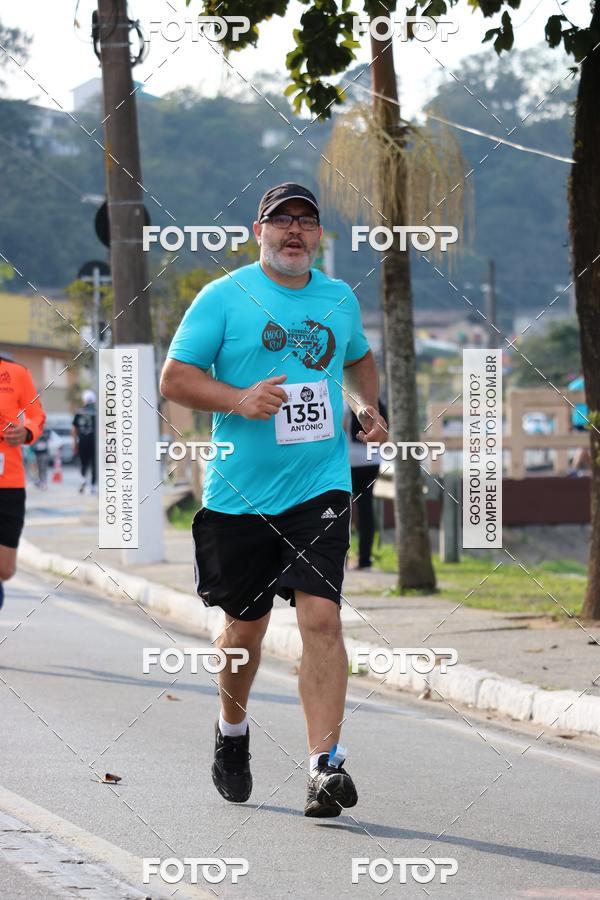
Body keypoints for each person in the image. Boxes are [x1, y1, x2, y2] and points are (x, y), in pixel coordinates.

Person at [161, 182, 387, 817]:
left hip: (319, 486)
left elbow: (360, 361)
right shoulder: (222, 297)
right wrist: (238, 399)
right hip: (238, 493)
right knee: (245, 632)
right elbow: (175, 379)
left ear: (319, 236)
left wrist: (366, 407)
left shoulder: (338, 298)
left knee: (322, 620)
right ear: (258, 230)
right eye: (280, 220)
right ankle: (232, 734)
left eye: (306, 222)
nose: (294, 230)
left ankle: (324, 765)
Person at [0, 354, 46, 609]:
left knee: (5, 569)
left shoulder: (16, 373)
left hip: (9, 481)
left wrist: (26, 431)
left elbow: (36, 415)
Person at [344, 398, 388, 570]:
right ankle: (365, 559)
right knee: (366, 508)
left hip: (349, 461)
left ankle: (344, 558)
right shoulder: (377, 404)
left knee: (344, 510)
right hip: (372, 461)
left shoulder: (346, 403)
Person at [72, 389, 97, 494]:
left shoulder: (79, 412)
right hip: (94, 441)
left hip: (82, 441)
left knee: (83, 462)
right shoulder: (96, 413)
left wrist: (74, 442)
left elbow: (74, 429)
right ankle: (93, 486)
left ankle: (83, 479)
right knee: (94, 464)